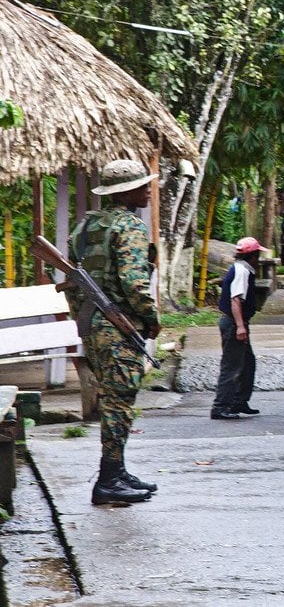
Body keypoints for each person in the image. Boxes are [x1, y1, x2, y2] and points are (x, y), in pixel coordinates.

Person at [68, 159, 161, 505]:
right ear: (127, 192)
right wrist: (151, 318)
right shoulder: (130, 227)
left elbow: (73, 280)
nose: (149, 190)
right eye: (144, 185)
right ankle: (108, 480)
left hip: (93, 325)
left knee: (114, 399)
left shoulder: (85, 227)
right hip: (118, 326)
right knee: (119, 403)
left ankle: (117, 470)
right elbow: (135, 284)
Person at [211, 236, 268, 420]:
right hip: (234, 323)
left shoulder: (242, 269)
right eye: (257, 255)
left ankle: (239, 400)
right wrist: (240, 326)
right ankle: (220, 406)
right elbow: (235, 300)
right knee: (231, 366)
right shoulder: (242, 271)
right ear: (253, 256)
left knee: (247, 363)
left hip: (235, 322)